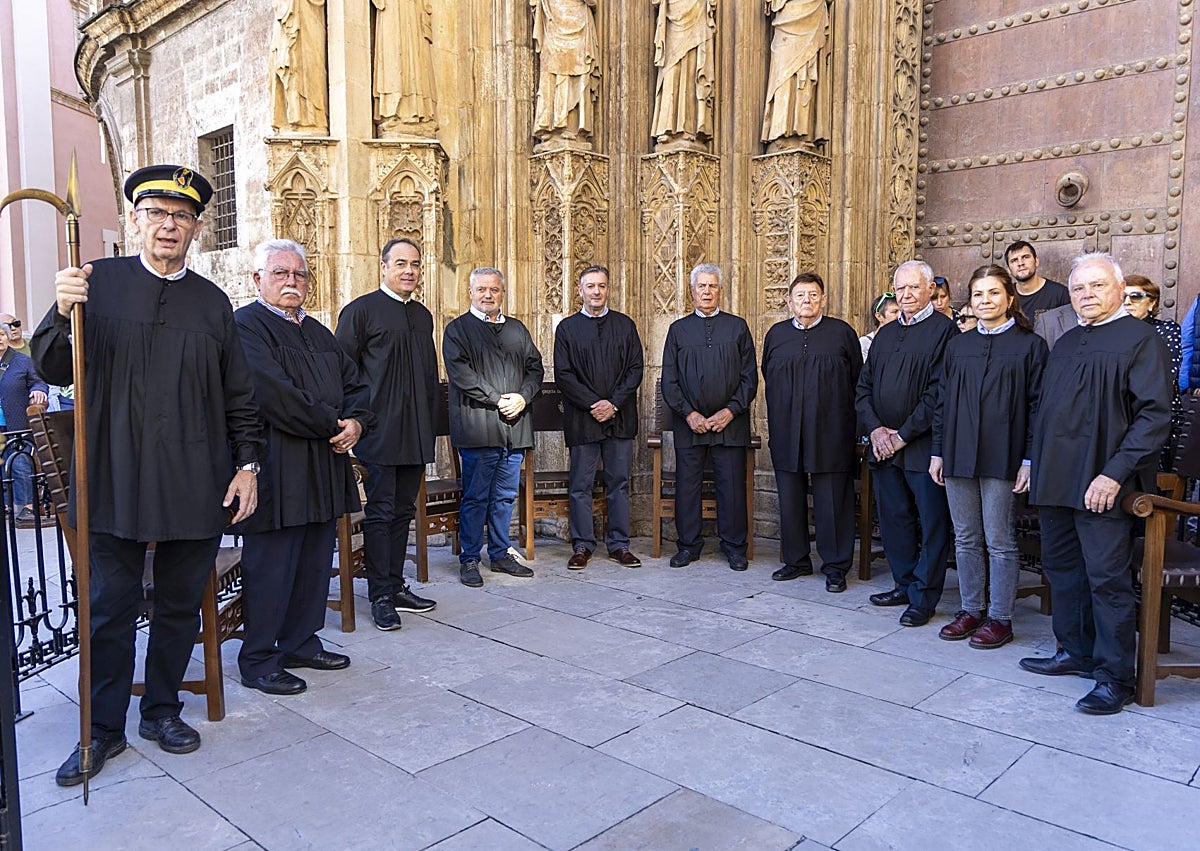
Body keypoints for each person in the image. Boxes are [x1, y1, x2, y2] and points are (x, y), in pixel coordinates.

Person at [34, 164, 263, 786]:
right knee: (109, 608)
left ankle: (162, 710)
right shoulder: (96, 282)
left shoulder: (213, 304)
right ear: (135, 220)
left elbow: (239, 396)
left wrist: (247, 466)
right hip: (114, 477)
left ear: (197, 229)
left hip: (195, 478)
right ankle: (102, 728)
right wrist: (61, 310)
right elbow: (52, 368)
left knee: (180, 606)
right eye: (157, 213)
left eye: (182, 216)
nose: (169, 225)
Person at [1020, 252, 1172, 715]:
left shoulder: (1142, 340)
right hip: (1056, 477)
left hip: (1105, 482)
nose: (1086, 295)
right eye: (1078, 288)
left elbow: (1153, 417)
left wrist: (1114, 473)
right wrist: (1032, 461)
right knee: (1063, 570)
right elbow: (1044, 410)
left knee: (1106, 579)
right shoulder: (1066, 342)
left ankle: (1114, 676)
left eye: (1097, 285)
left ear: (1119, 289)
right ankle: (1075, 650)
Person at [234, 239, 374, 695]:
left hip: (324, 462)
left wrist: (357, 422)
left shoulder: (318, 332)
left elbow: (356, 385)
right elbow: (272, 393)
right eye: (280, 273)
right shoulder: (246, 326)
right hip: (277, 462)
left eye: (299, 274)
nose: (291, 281)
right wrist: (334, 423)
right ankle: (258, 658)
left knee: (315, 559)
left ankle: (300, 642)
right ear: (258, 279)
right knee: (272, 564)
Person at [930, 265, 1048, 649]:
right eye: (978, 294)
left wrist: (1029, 459)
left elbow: (1038, 408)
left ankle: (1000, 617)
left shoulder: (1030, 346)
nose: (985, 301)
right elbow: (942, 403)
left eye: (994, 293)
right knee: (965, 537)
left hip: (1004, 455)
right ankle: (971, 609)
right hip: (958, 453)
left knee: (999, 539)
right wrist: (937, 452)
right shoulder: (957, 346)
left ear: (1009, 298)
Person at [337, 237, 440, 631]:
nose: (409, 271)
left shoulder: (423, 315)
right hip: (378, 432)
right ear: (383, 267)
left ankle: (396, 586)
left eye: (414, 264)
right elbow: (342, 371)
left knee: (403, 511)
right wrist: (354, 420)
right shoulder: (360, 311)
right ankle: (379, 594)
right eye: (400, 263)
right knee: (380, 513)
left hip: (415, 432)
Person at [855, 260, 957, 627]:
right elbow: (863, 387)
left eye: (914, 287)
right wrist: (876, 430)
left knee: (931, 523)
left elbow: (939, 393)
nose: (907, 294)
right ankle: (903, 583)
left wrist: (901, 435)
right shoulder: (884, 335)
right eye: (900, 288)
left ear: (930, 289)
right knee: (894, 518)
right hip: (884, 446)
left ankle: (923, 596)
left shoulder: (945, 331)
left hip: (922, 446)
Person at [443, 268, 545, 587]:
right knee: (476, 497)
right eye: (481, 289)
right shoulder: (457, 330)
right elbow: (462, 374)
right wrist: (498, 399)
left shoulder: (516, 329)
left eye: (494, 290)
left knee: (504, 496)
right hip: (479, 426)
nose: (488, 295)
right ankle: (470, 558)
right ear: (470, 293)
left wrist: (523, 397)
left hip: (515, 427)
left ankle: (500, 553)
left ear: (503, 293)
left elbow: (535, 368)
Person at [761, 272, 860, 591]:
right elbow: (768, 373)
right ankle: (796, 560)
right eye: (800, 295)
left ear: (823, 299)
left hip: (831, 429)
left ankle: (836, 566)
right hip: (787, 429)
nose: (807, 300)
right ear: (789, 301)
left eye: (813, 295)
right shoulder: (776, 334)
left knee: (832, 500)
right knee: (790, 497)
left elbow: (857, 379)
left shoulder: (841, 333)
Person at [661, 263, 758, 570]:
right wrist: (688, 414)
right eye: (701, 286)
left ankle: (734, 546)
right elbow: (669, 381)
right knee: (687, 487)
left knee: (732, 486)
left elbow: (749, 379)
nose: (707, 291)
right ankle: (688, 545)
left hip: (730, 424)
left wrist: (730, 411)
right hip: (690, 425)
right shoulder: (678, 330)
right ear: (692, 291)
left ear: (720, 290)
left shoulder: (738, 327)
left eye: (712, 286)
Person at [553, 265, 644, 568]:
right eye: (590, 286)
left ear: (608, 289)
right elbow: (564, 375)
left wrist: (613, 404)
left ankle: (619, 544)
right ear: (580, 290)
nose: (596, 291)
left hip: (620, 417)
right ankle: (582, 545)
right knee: (581, 485)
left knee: (619, 482)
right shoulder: (567, 329)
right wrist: (594, 404)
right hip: (583, 419)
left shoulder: (625, 325)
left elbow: (635, 369)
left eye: (601, 286)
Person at [1123, 274, 1183, 468]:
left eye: (1136, 296)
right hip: (1118, 419)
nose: (1127, 302)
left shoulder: (1166, 331)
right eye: (1122, 296)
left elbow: (1166, 374)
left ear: (1151, 303)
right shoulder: (1110, 334)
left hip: (1155, 419)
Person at [761, 0, 831, 146]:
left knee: (805, 74)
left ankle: (801, 131)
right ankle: (780, 132)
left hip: (812, 12)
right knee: (783, 75)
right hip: (787, 15)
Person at [530, 0, 600, 141]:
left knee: (576, 73)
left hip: (577, 21)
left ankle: (571, 126)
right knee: (550, 72)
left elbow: (592, 2)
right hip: (553, 20)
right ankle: (550, 125)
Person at [0, 326, 48, 526]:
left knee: (19, 464)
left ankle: (26, 508)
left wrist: (38, 391)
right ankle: (6, 507)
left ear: (8, 337)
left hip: (15, 424)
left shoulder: (22, 361)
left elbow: (38, 382)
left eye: (1, 334)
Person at [651, 0, 717, 143]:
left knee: (691, 73)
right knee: (671, 74)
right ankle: (665, 127)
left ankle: (689, 128)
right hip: (673, 16)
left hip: (696, 12)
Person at [371, 0, 437, 134]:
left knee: (415, 56)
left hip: (414, 10)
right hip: (392, 9)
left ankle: (417, 113)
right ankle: (393, 112)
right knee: (393, 54)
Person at [1005, 240, 1069, 323]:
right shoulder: (1006, 296)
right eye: (1014, 260)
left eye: (1025, 257)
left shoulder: (1060, 294)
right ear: (1008, 269)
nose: (1020, 263)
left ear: (1036, 261)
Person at [859, 291, 898, 361]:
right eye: (894, 312)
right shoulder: (866, 343)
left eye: (902, 312)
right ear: (879, 316)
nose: (900, 315)